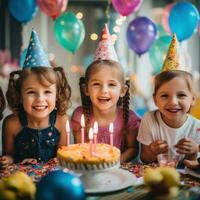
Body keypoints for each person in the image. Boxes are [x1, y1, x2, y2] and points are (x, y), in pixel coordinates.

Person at [0, 30, 71, 168]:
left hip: (53, 179)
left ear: (57, 95)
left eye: (47, 92)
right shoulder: (12, 124)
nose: (40, 99)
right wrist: (7, 159)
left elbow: (63, 156)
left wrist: (56, 161)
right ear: (20, 96)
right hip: (22, 180)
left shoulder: (62, 121)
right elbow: (9, 154)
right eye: (32, 92)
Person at [71, 25, 141, 163]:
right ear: (86, 89)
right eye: (96, 84)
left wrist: (114, 162)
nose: (104, 90)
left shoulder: (130, 119)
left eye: (111, 84)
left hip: (119, 172)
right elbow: (80, 148)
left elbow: (133, 149)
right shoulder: (80, 116)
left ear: (123, 90)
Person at [137, 34, 200, 164]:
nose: (173, 102)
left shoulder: (196, 127)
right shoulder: (149, 120)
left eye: (181, 95)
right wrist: (150, 151)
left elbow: (192, 166)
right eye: (165, 96)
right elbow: (143, 159)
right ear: (155, 99)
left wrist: (194, 152)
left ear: (193, 99)